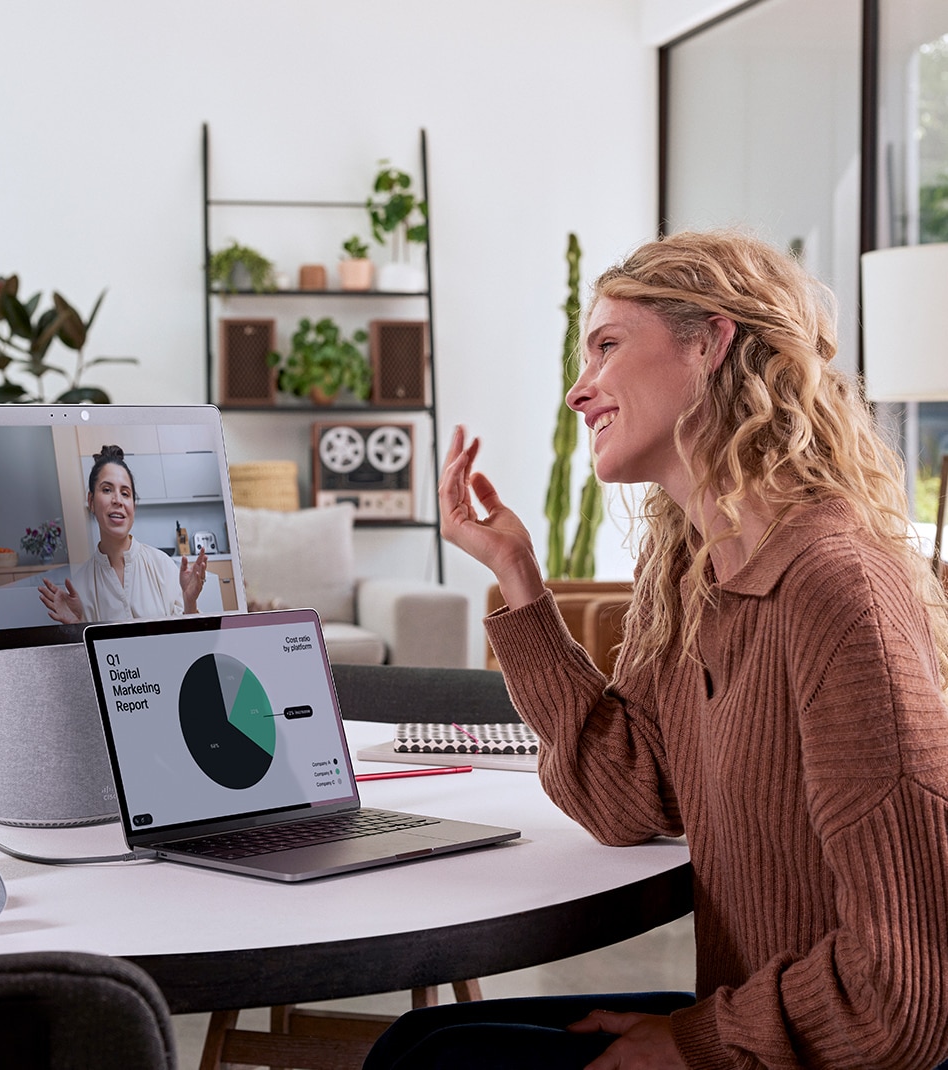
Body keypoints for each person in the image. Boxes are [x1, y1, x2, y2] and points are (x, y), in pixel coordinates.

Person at [363, 230, 948, 1069]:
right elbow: (623, 797)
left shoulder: (835, 588)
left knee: (429, 1064)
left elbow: (910, 990)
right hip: (756, 1022)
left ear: (711, 342)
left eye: (606, 346)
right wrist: (517, 573)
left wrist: (694, 1045)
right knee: (424, 1038)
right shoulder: (695, 577)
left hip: (838, 1049)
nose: (578, 390)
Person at [39, 444, 209, 623]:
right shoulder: (79, 585)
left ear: (133, 506)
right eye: (107, 490)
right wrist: (77, 626)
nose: (118, 500)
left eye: (125, 493)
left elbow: (188, 641)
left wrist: (190, 604)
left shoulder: (163, 565)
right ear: (91, 501)